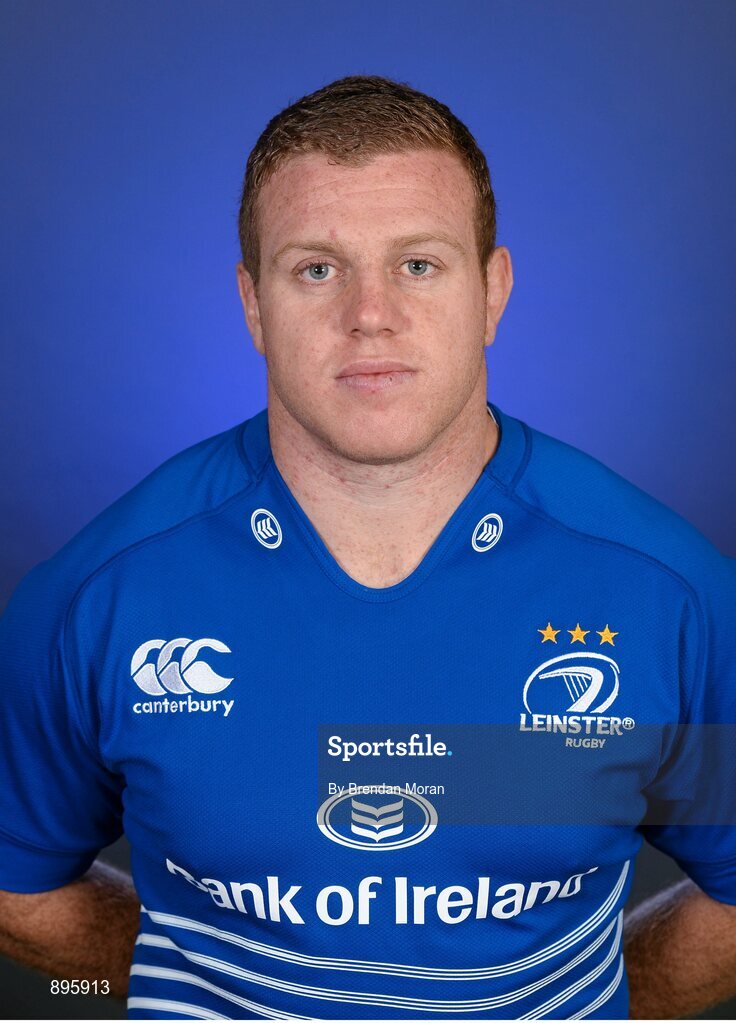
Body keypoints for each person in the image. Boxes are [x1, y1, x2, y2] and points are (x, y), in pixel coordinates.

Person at [1, 73, 735, 1022]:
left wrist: (598, 1003)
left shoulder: (673, 597)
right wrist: (198, 980)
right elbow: (16, 883)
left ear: (494, 291)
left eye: (418, 264)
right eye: (317, 269)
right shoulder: (95, 596)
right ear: (252, 304)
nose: (370, 313)